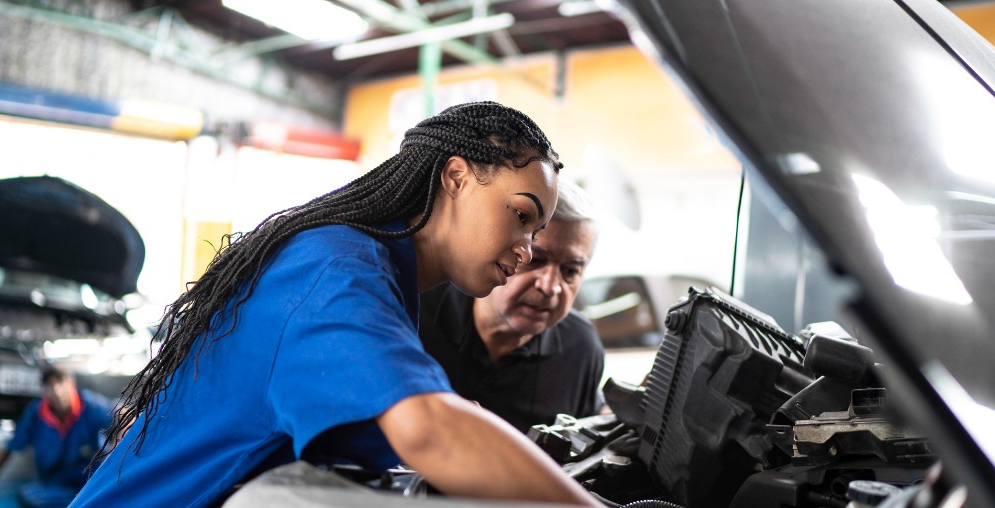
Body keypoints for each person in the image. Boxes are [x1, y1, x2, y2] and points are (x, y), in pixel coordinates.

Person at [69, 102, 601, 507]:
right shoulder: (337, 270)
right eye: (522, 216)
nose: (527, 248)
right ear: (456, 178)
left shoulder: (377, 268)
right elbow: (427, 430)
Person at [419, 178, 604, 432]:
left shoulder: (580, 347)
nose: (550, 286)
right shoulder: (415, 308)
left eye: (570, 271)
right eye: (535, 260)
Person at [0, 367, 114, 508]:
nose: (57, 391)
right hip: (56, 484)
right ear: (44, 390)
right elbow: (8, 450)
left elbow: (124, 415)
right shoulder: (35, 413)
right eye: (50, 386)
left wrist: (114, 451)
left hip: (91, 478)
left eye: (60, 383)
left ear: (71, 383)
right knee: (29, 496)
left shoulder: (90, 404)